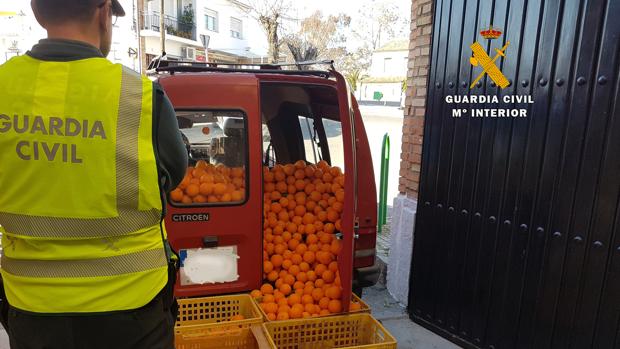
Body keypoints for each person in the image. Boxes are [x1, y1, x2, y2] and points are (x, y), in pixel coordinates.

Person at [0, 0, 188, 348]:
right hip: (133, 311)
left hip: (32, 309)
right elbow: (174, 175)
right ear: (103, 12)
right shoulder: (142, 97)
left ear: (37, 11)